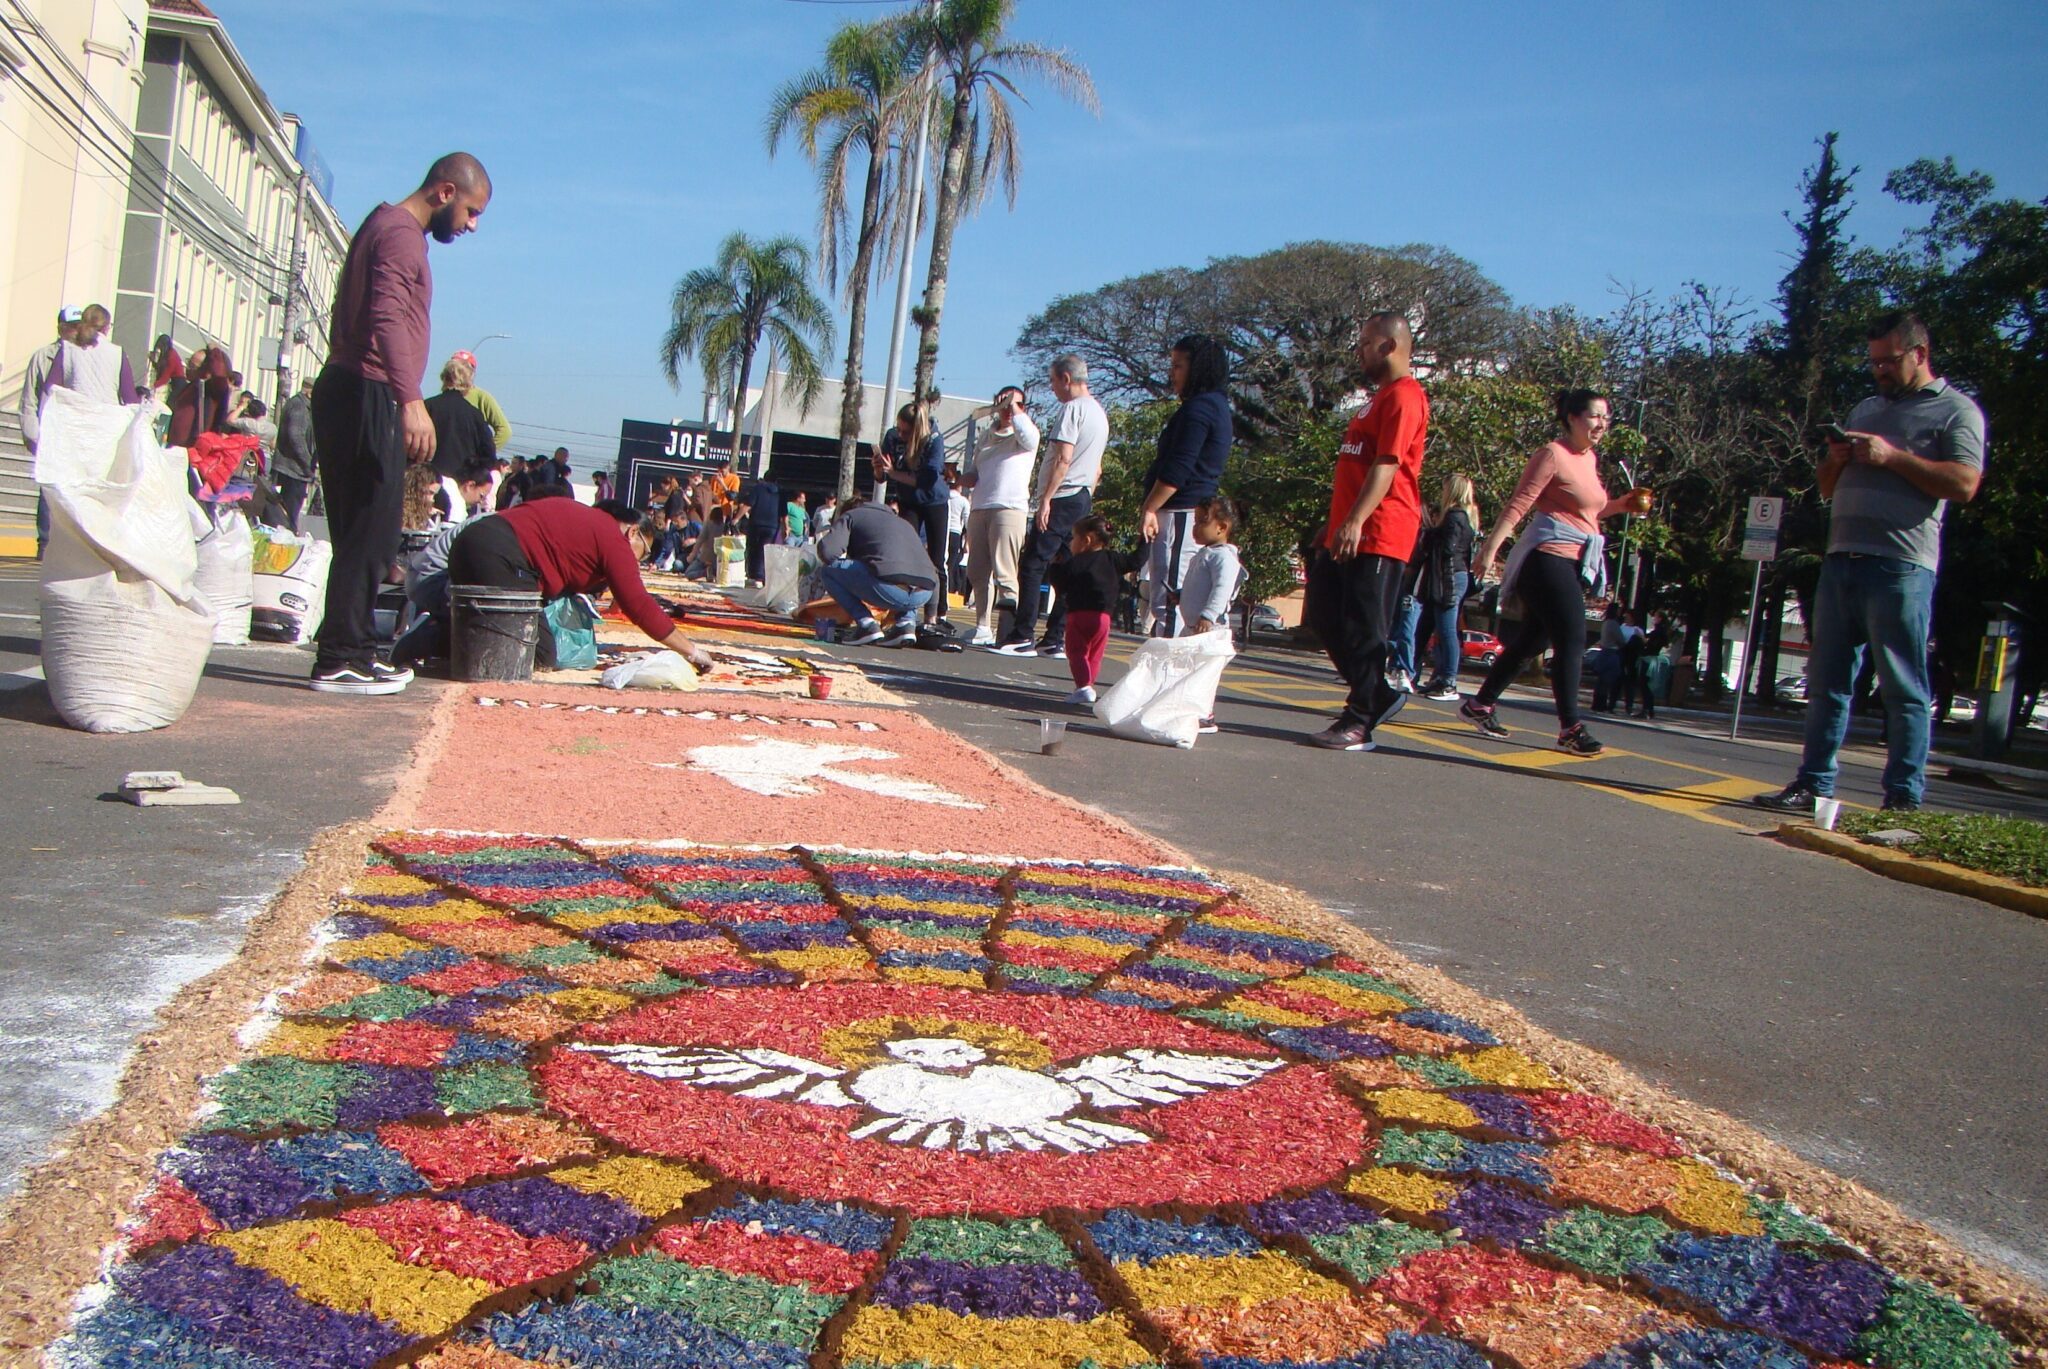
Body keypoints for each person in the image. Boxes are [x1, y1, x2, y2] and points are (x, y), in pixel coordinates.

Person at [1755, 312, 1986, 814]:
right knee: (1828, 683)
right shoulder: (1866, 408)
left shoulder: (1956, 412)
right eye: (1874, 361)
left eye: (1889, 360)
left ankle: (1903, 797)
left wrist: (1893, 457)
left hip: (1901, 566)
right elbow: (1825, 488)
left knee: (1903, 685)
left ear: (1919, 354)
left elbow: (1965, 485)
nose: (1879, 370)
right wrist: (1836, 459)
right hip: (1841, 561)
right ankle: (1813, 784)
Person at [309, 151, 491, 695]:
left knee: (370, 529)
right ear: (444, 193)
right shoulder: (400, 234)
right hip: (365, 388)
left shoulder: (387, 225)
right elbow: (385, 314)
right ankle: (340, 655)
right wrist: (409, 399)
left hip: (362, 389)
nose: (471, 225)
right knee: (369, 528)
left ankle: (356, 648)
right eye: (470, 211)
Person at [1461, 389, 1652, 755]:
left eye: (1606, 418)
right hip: (1545, 558)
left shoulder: (1588, 459)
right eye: (1595, 416)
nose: (1601, 424)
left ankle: (1479, 705)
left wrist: (1621, 506)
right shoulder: (1552, 454)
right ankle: (1570, 728)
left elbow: (1587, 514)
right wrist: (1490, 548)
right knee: (1573, 637)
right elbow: (1520, 503)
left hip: (1573, 559)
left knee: (1533, 641)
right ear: (1572, 418)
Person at [1303, 313, 1431, 752]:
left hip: (1381, 530)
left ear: (1390, 346)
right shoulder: (1377, 400)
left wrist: (1356, 520)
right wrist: (1335, 522)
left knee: (1364, 626)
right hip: (1349, 528)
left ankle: (1360, 720)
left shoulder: (1405, 398)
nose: (1358, 350)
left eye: (1365, 342)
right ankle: (1375, 694)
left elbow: (1388, 464)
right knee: (1322, 612)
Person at [409, 496, 715, 673]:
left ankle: (444, 629)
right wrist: (691, 651)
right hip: (499, 556)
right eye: (643, 552)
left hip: (477, 545)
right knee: (537, 655)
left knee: (525, 643)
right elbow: (638, 603)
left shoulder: (590, 524)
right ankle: (432, 636)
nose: (636, 561)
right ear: (633, 532)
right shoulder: (613, 538)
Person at [997, 353, 1109, 657]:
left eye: (1053, 381)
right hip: (1082, 494)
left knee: (1033, 563)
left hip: (1063, 495)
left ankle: (1022, 636)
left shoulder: (1073, 409)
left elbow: (1063, 457)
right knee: (1067, 564)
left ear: (1066, 379)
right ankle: (1055, 637)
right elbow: (1096, 468)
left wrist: (1046, 499)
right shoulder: (1100, 413)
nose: (1053, 388)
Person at [1140, 334, 1232, 636]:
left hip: (1181, 512)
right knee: (1171, 600)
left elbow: (1178, 468)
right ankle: (1170, 677)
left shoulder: (1200, 409)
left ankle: (1170, 679)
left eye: (1178, 366)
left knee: (1170, 600)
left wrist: (1150, 507)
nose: (1172, 374)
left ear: (1198, 369)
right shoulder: (1213, 406)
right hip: (1186, 510)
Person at [960, 387, 1038, 646]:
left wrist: (1014, 410)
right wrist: (957, 478)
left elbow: (1030, 437)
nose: (1005, 408)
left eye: (1012, 403)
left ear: (1022, 407)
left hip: (1009, 507)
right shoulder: (985, 436)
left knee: (1005, 571)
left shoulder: (1024, 433)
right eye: (1001, 403)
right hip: (980, 506)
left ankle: (1010, 634)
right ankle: (983, 626)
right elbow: (974, 471)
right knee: (977, 570)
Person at [814, 492, 940, 647]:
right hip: (924, 593)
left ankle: (866, 624)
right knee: (909, 571)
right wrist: (931, 616)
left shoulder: (851, 516)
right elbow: (931, 571)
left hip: (888, 589)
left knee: (829, 570)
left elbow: (828, 552)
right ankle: (906, 624)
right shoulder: (903, 523)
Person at [1047, 515, 1147, 706]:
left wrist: (1054, 565)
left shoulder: (1075, 562)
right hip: (1103, 617)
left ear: (1086, 540)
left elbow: (1059, 582)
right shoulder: (1113, 558)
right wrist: (1145, 541)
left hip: (1079, 615)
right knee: (1095, 654)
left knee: (1076, 652)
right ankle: (1088, 683)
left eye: (1073, 538)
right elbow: (1136, 560)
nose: (1071, 543)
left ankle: (1083, 686)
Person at [875, 401, 953, 631]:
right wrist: (879, 468)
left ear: (917, 430)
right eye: (898, 429)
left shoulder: (934, 439)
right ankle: (903, 612)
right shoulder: (892, 437)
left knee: (936, 559)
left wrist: (894, 473)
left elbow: (927, 482)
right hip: (908, 500)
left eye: (905, 432)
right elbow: (882, 478)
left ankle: (934, 614)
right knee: (906, 553)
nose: (900, 435)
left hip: (934, 500)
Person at [1177, 495, 1244, 734]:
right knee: (1191, 671)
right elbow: (1198, 586)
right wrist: (1180, 595)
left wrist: (1208, 614)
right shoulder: (1207, 553)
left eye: (1201, 521)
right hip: (1195, 627)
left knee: (1204, 674)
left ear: (1222, 527)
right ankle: (1189, 710)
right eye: (1194, 521)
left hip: (1210, 628)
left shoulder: (1224, 556)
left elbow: (1222, 589)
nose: (1195, 527)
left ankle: (1204, 715)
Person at [17, 306, 80, 558]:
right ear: (60, 328)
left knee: (73, 490)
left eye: (79, 326)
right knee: (49, 489)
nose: (75, 331)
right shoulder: (43, 357)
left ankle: (70, 544)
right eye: (71, 326)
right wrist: (31, 432)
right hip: (50, 432)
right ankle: (45, 542)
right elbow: (29, 398)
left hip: (75, 433)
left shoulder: (85, 356)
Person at [1413, 472, 1479, 701]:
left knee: (1447, 629)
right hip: (1452, 575)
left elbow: (1448, 550)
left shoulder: (1454, 517)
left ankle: (1448, 681)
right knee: (1436, 627)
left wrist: (1431, 535)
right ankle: (1439, 677)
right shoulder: (1465, 517)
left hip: (1449, 576)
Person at [53, 304, 137, 405]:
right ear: (106, 328)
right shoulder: (117, 353)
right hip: (106, 417)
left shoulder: (67, 349)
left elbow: (51, 390)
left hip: (74, 415)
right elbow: (130, 400)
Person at [444, 350, 512, 453]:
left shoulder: (482, 397)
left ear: (471, 373)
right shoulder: (441, 399)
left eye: (462, 369)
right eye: (453, 368)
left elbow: (504, 431)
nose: (457, 373)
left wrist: (483, 454)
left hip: (469, 463)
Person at [167, 345, 234, 448]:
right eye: (189, 362)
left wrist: (215, 352)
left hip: (195, 450)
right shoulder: (190, 386)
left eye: (193, 366)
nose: (188, 368)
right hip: (175, 448)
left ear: (206, 370)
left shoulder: (212, 389)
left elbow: (219, 375)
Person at [272, 378, 317, 531]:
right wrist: (307, 463)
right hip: (293, 468)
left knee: (288, 510)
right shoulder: (299, 406)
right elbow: (296, 437)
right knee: (289, 512)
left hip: (295, 468)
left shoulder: (302, 406)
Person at [743, 475, 781, 583]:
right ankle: (760, 577)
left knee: (752, 548)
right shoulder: (779, 492)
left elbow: (748, 504)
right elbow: (783, 512)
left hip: (756, 523)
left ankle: (752, 575)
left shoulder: (758, 488)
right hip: (772, 525)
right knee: (764, 550)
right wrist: (785, 528)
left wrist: (736, 519)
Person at [944, 463, 970, 598]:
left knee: (942, 562)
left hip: (943, 531)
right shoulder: (963, 501)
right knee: (952, 564)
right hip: (956, 534)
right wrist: (968, 542)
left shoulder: (944, 497)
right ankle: (949, 591)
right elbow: (968, 522)